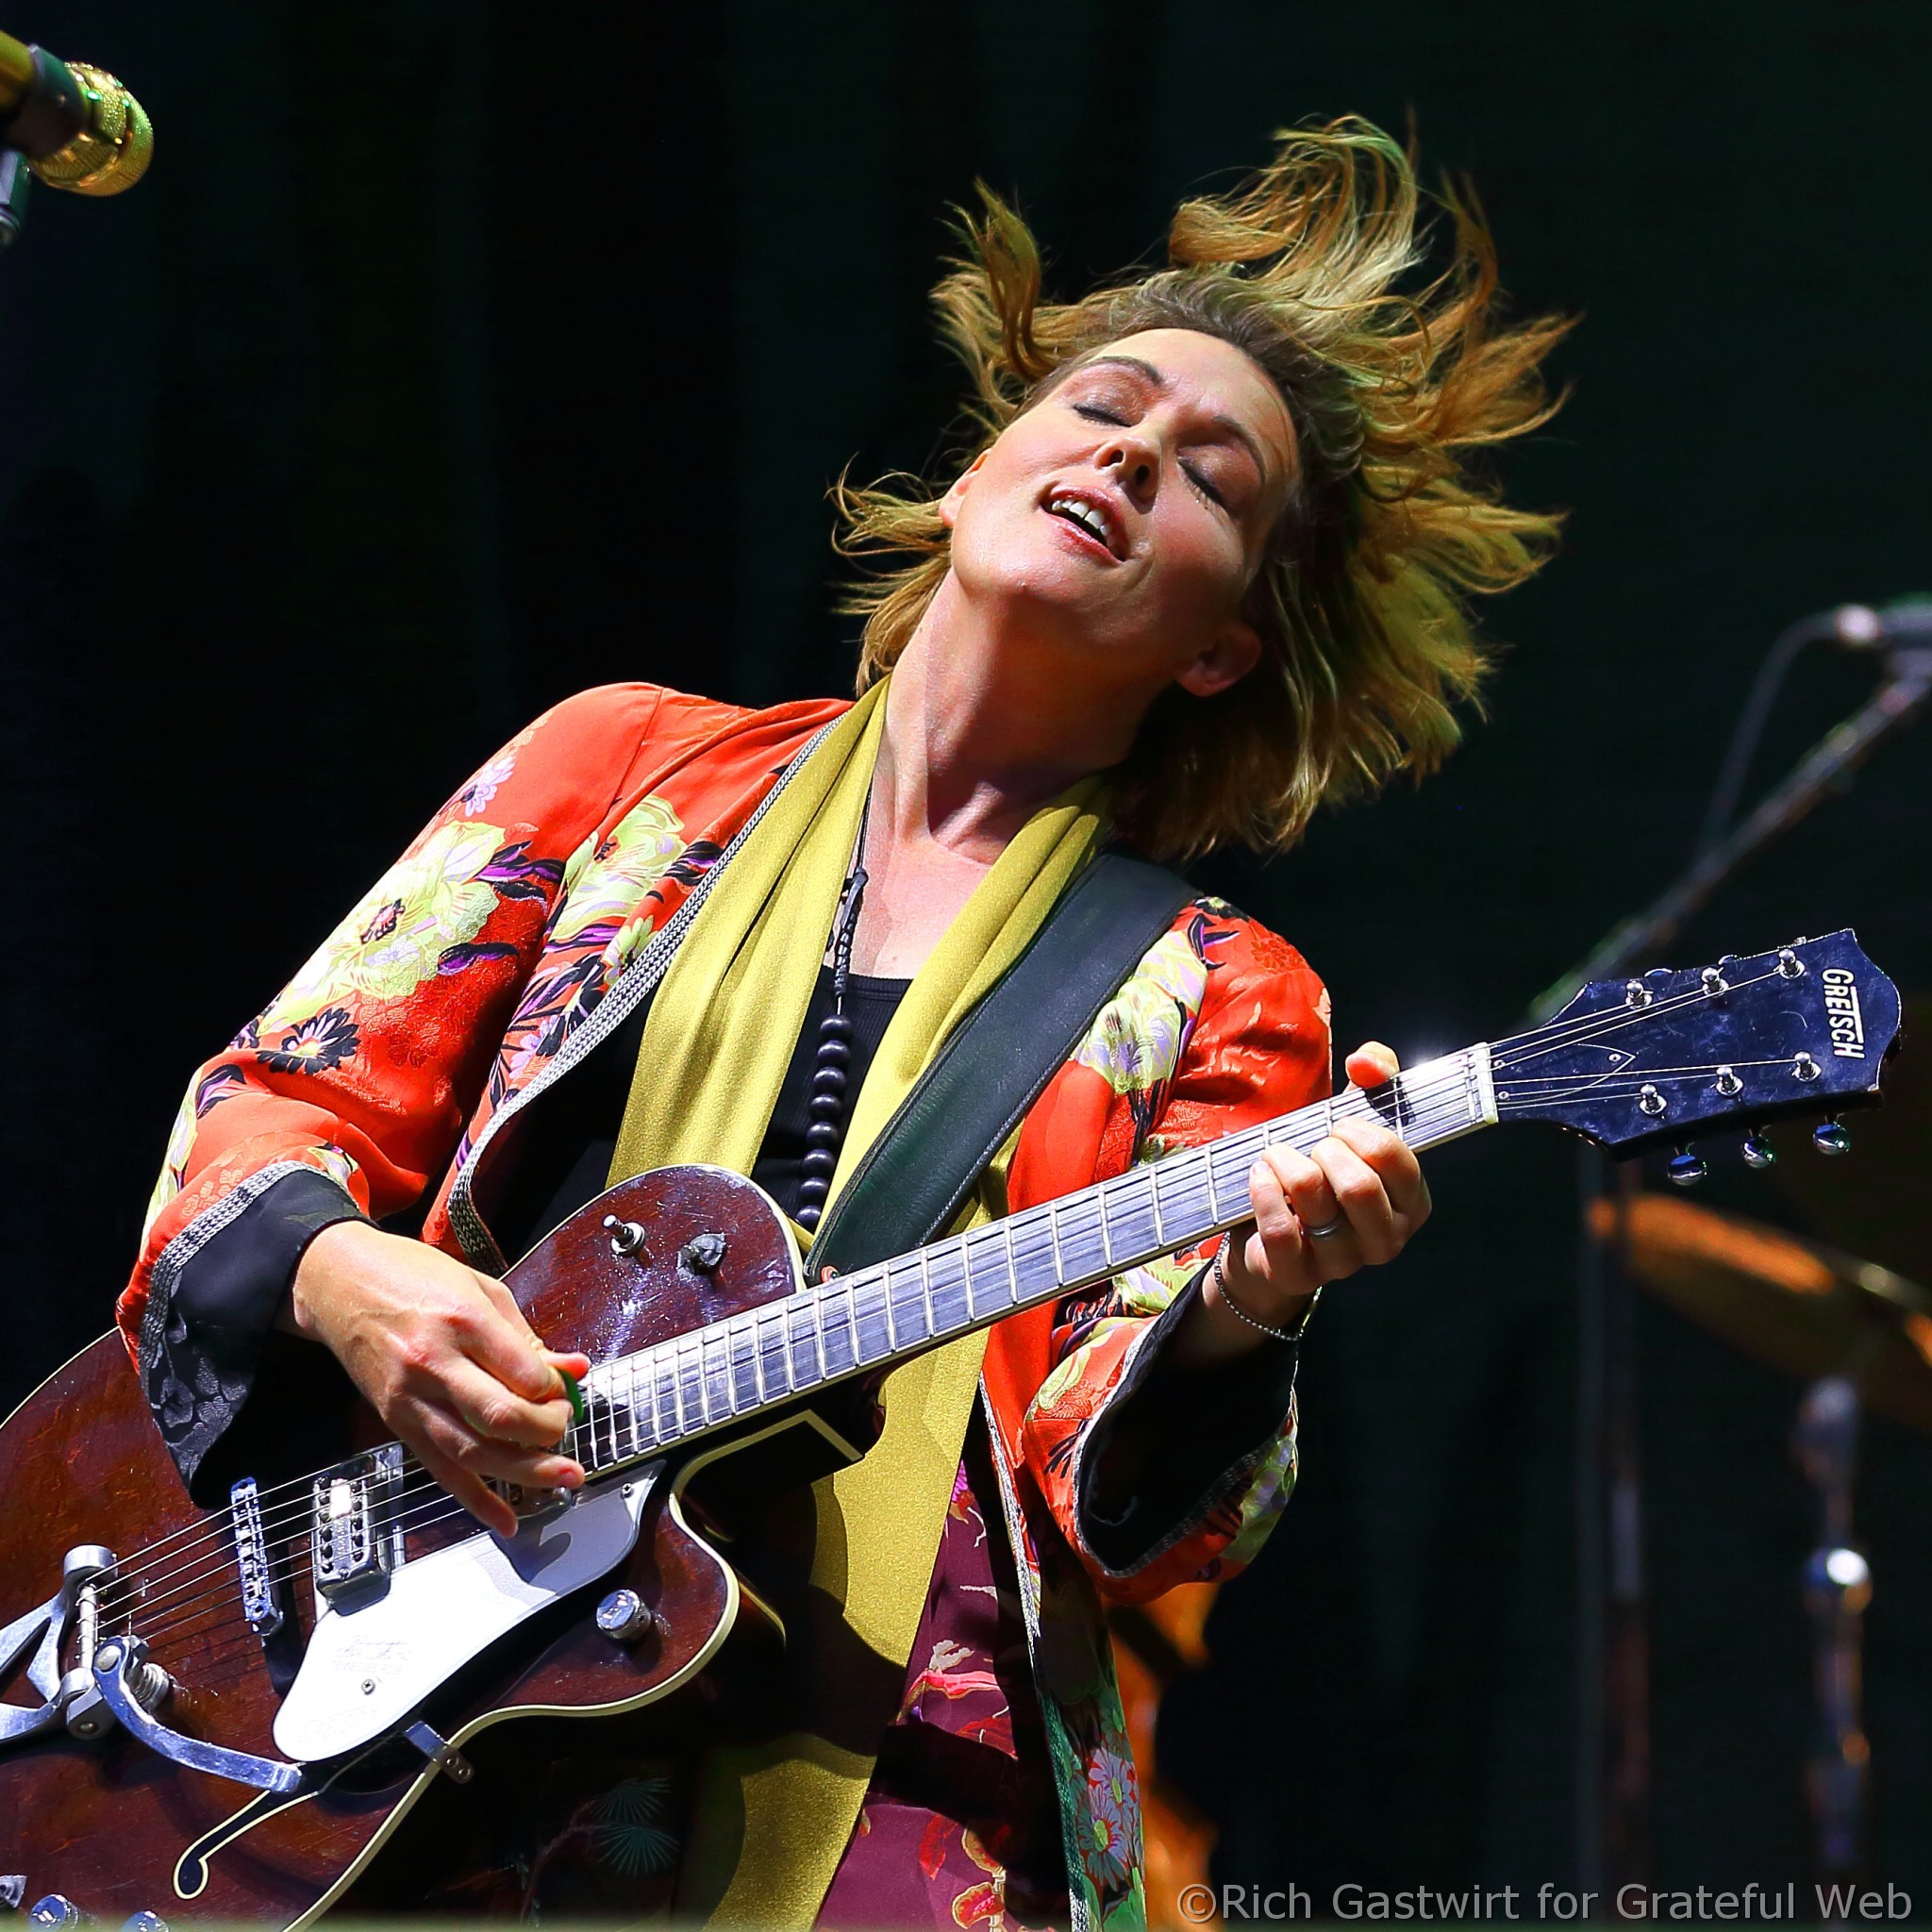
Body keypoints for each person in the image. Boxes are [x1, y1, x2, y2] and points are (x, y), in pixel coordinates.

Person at [119, 118, 1566, 1928]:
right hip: (438, 1698)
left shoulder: (1221, 990)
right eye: (1102, 405)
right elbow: (275, 1104)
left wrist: (1250, 1303)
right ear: (974, 476)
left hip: (901, 1785)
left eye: (1210, 477)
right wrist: (351, 1281)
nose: (1131, 454)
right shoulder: (626, 769)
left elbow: (1138, 1508)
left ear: (1219, 647)